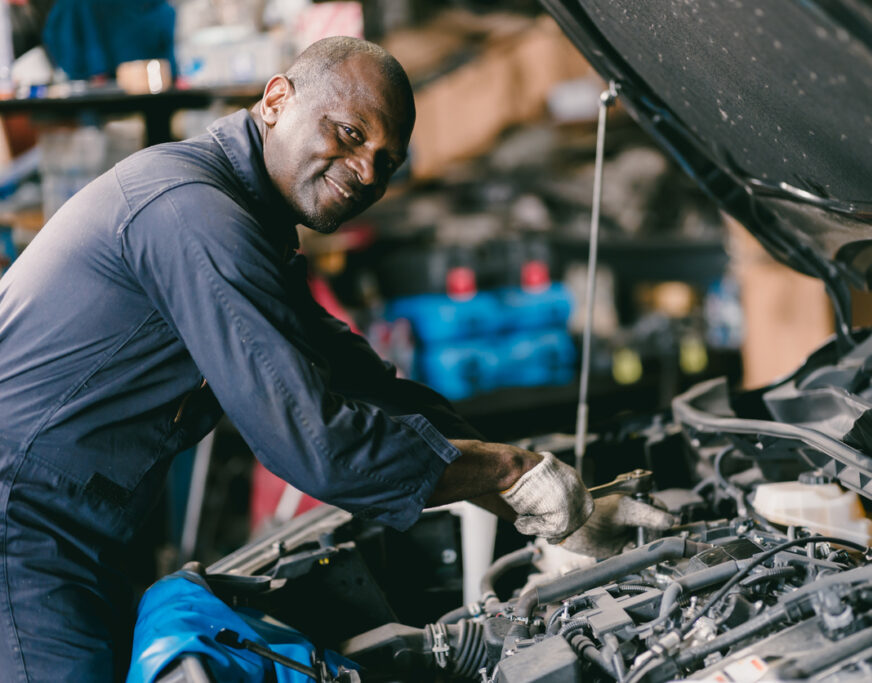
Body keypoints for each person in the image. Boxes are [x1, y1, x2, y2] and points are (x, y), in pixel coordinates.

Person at [0, 37, 666, 681]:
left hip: (78, 532)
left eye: (388, 159)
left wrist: (545, 500)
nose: (369, 171)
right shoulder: (192, 212)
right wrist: (508, 471)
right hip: (20, 523)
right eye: (351, 134)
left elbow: (362, 382)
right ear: (275, 100)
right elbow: (314, 441)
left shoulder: (247, 222)